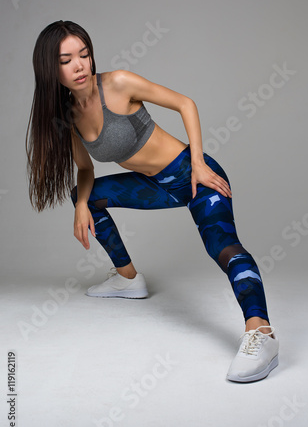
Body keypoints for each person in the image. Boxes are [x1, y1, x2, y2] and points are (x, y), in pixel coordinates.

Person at [26, 20, 279, 383]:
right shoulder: (68, 116)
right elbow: (85, 170)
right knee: (86, 197)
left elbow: (184, 104)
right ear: (50, 69)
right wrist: (81, 204)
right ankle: (128, 280)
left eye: (84, 54)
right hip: (154, 186)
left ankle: (262, 333)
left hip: (192, 176)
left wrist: (198, 164)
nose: (80, 65)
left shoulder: (118, 84)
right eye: (67, 60)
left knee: (222, 247)